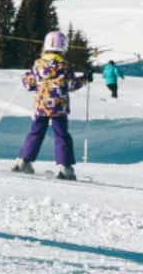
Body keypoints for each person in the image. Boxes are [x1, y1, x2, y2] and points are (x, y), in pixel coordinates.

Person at [13, 30, 89, 180]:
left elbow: (29, 84)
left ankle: (24, 161)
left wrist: (27, 78)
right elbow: (72, 85)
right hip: (58, 106)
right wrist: (86, 79)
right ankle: (65, 167)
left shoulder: (38, 65)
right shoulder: (64, 66)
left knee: (36, 133)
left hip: (41, 106)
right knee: (61, 135)